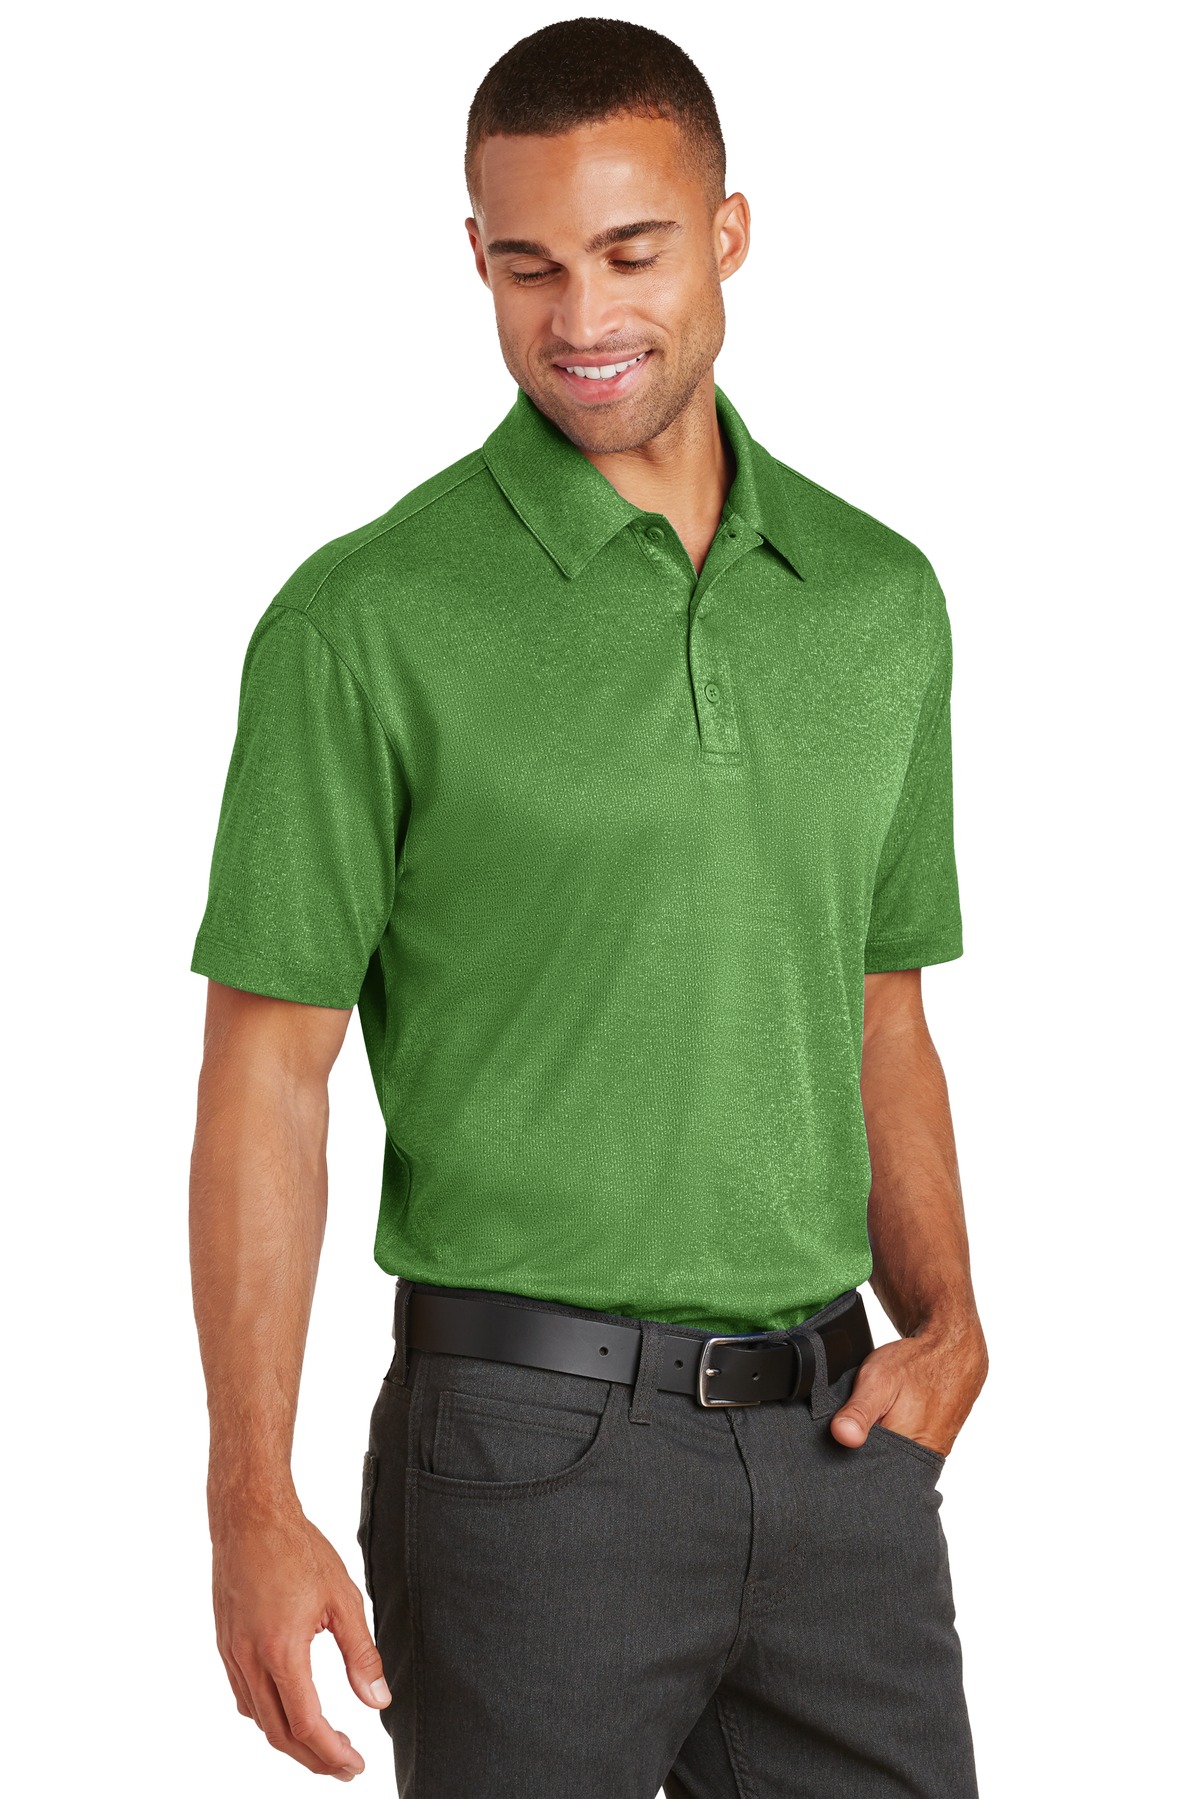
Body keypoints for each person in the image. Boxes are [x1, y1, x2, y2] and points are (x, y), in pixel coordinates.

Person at [189, 17, 988, 1797]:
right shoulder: (363, 621)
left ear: (729, 234)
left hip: (842, 1447)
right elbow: (269, 1073)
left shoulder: (876, 601)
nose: (581, 317)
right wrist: (252, 1495)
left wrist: (948, 1319)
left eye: (632, 253)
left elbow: (880, 1005)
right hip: (525, 1459)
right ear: (475, 256)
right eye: (529, 264)